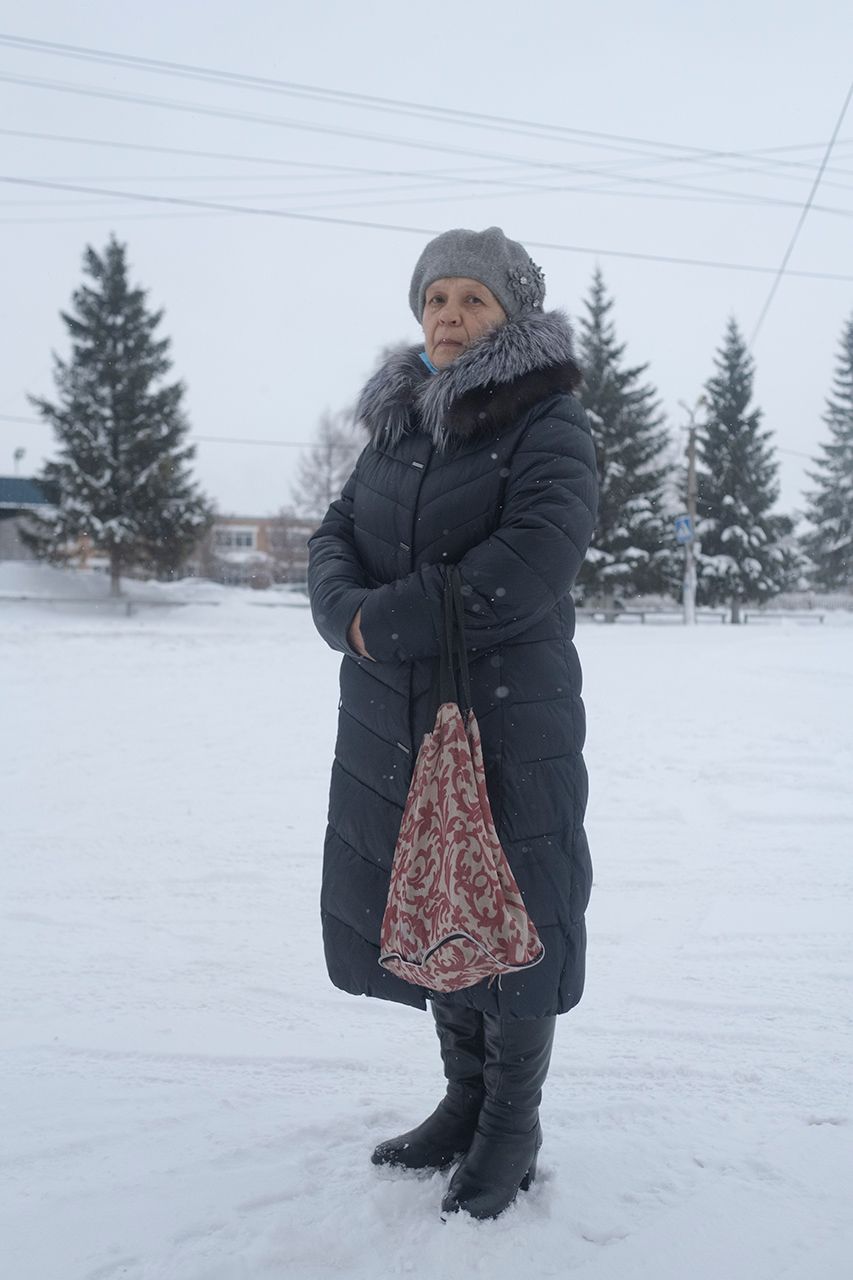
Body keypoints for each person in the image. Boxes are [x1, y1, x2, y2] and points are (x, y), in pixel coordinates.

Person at [308, 227, 599, 1220]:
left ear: (509, 315)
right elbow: (336, 532)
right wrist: (340, 609)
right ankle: (463, 1097)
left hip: (505, 717)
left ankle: (511, 1121)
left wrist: (378, 621)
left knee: (511, 910)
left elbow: (526, 563)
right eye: (435, 299)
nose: (449, 316)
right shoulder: (399, 422)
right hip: (396, 714)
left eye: (472, 299)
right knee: (431, 901)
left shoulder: (548, 422)